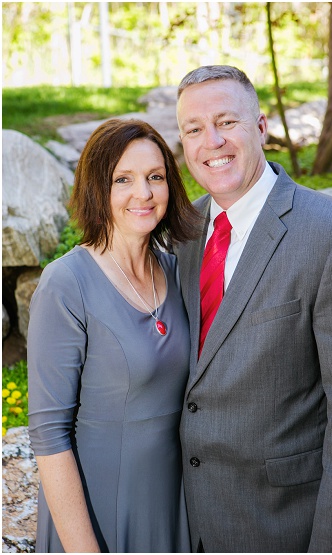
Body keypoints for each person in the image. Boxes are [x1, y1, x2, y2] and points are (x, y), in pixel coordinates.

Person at [173, 65, 332, 552]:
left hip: (281, 526)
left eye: (227, 122)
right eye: (194, 129)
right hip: (183, 523)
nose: (211, 141)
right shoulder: (181, 234)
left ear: (260, 127)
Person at [27, 118, 201, 552]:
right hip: (98, 514)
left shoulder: (177, 270)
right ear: (96, 189)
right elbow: (49, 437)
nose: (143, 193)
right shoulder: (66, 283)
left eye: (155, 177)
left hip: (175, 503)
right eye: (122, 178)